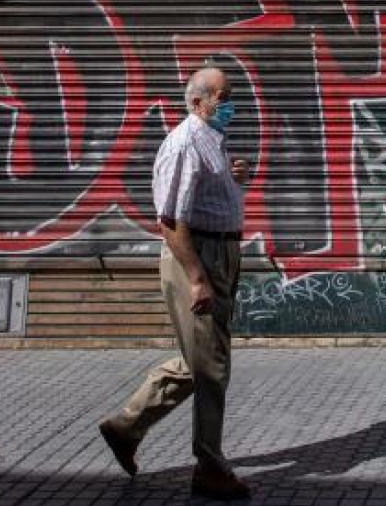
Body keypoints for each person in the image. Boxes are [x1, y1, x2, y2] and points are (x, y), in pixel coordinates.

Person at [98, 66, 252, 500]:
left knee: (198, 359)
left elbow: (205, 200)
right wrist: (197, 277)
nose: (230, 104)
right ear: (198, 102)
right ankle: (210, 467)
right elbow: (170, 220)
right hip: (197, 258)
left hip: (219, 253)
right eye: (223, 96)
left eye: (230, 95)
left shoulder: (212, 140)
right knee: (211, 367)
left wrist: (234, 178)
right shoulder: (184, 142)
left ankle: (125, 427)